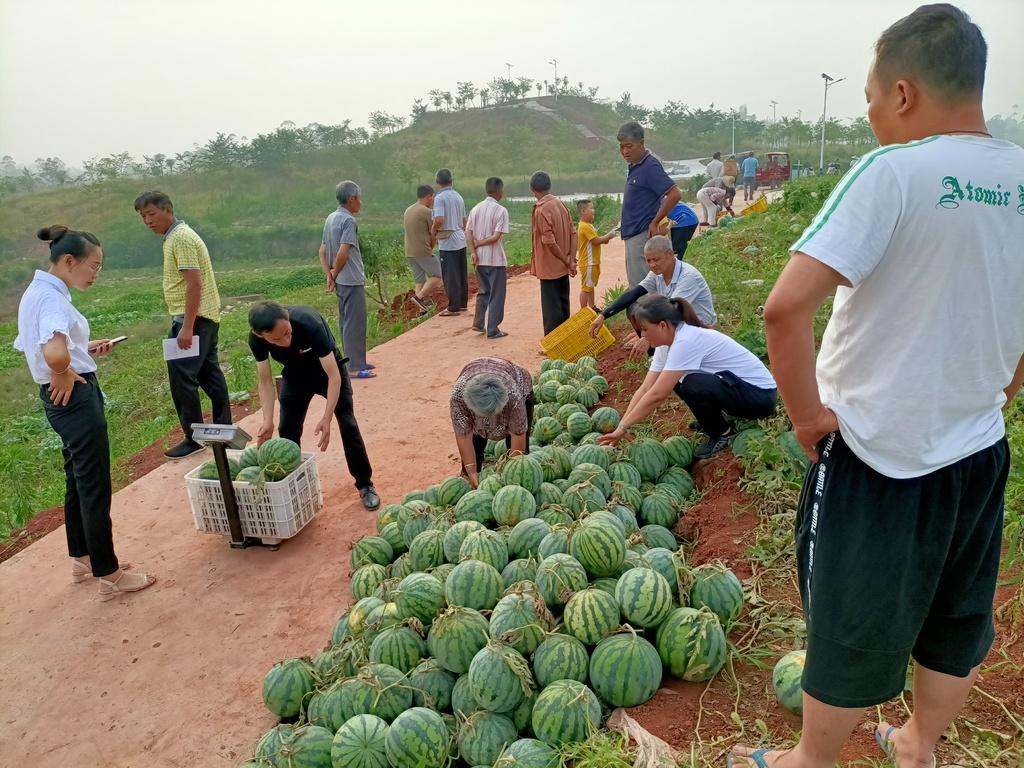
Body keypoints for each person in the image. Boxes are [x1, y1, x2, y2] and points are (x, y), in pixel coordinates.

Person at [732, 6, 1024, 768]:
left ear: (902, 93)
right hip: (977, 449)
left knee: (849, 618)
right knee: (957, 613)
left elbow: (783, 308)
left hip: (874, 453)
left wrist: (805, 419)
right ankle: (920, 745)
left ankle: (810, 761)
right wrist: (1003, 393)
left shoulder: (894, 172)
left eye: (866, 99)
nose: (867, 116)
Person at [14, 226, 156, 599]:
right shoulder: (53, 301)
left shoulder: (37, 292)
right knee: (93, 484)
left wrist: (83, 349)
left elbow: (47, 344)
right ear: (69, 261)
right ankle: (108, 575)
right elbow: (54, 354)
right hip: (75, 399)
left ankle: (82, 558)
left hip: (59, 398)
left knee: (77, 479)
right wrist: (62, 368)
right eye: (93, 266)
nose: (96, 273)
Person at [598, 294, 776, 459]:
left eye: (644, 329)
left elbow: (657, 396)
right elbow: (646, 388)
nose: (642, 335)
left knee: (691, 383)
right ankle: (711, 420)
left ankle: (722, 432)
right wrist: (622, 424)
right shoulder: (665, 344)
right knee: (676, 380)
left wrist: (622, 428)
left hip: (759, 397)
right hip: (738, 387)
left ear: (662, 325)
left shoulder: (686, 341)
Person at [248, 302, 379, 511]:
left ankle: (365, 485)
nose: (286, 339)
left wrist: (326, 418)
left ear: (288, 319)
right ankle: (293, 491)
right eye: (276, 339)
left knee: (348, 424)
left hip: (328, 371)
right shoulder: (256, 341)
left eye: (287, 332)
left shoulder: (308, 322)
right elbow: (264, 381)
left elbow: (334, 376)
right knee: (287, 430)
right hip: (295, 375)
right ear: (259, 335)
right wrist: (267, 420)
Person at [135, 190, 231, 459]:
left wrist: (187, 327)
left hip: (193, 319)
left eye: (151, 214)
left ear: (168, 209)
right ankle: (224, 427)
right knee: (208, 373)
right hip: (205, 317)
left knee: (181, 377)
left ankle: (193, 438)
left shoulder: (181, 239)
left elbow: (194, 284)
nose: (148, 221)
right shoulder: (177, 237)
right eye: (143, 217)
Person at [589, 235, 717, 355]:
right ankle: (654, 350)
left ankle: (654, 348)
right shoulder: (657, 274)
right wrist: (603, 315)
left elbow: (673, 313)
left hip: (698, 327)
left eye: (656, 259)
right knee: (634, 307)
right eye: (648, 260)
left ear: (670, 254)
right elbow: (634, 294)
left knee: (654, 317)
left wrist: (647, 338)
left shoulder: (688, 277)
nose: (652, 265)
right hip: (674, 320)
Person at [450, 357, 534, 488]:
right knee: (475, 441)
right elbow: (464, 435)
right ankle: (471, 476)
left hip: (518, 382)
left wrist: (512, 475)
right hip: (477, 378)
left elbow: (518, 435)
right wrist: (471, 470)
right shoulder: (458, 396)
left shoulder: (514, 397)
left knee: (519, 455)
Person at [320, 180, 374, 379]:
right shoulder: (348, 221)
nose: (360, 203)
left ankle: (355, 360)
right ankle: (354, 367)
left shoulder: (330, 218)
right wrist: (334, 273)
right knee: (355, 322)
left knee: (346, 320)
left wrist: (329, 274)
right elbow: (343, 252)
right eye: (359, 199)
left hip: (341, 279)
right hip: (350, 277)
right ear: (351, 199)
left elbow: (322, 250)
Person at [617, 122, 682, 287]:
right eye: (622, 147)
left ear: (641, 144)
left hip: (641, 235)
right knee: (643, 285)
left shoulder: (649, 166)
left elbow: (674, 194)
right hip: (634, 235)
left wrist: (654, 222)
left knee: (643, 288)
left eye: (629, 146)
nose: (625, 151)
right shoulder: (636, 166)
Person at [529, 171, 577, 335]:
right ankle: (566, 340)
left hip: (550, 268)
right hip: (562, 268)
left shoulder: (541, 209)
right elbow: (573, 233)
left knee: (551, 311)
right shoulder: (560, 204)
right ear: (549, 186)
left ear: (532, 189)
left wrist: (565, 260)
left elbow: (548, 242)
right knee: (563, 306)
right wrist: (571, 260)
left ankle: (553, 344)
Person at [465, 177, 510, 339]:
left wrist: (473, 250)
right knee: (497, 294)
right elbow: (496, 236)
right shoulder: (501, 211)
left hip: (479, 260)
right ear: (499, 191)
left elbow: (468, 231)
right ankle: (493, 329)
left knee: (484, 291)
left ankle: (478, 323)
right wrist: (479, 244)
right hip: (495, 260)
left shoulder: (475, 209)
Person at [431, 168, 468, 316]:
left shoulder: (440, 198)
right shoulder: (458, 196)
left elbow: (439, 219)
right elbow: (465, 221)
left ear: (437, 182)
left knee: (450, 274)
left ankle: (453, 307)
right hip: (460, 238)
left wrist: (433, 230)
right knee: (461, 273)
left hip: (448, 242)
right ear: (452, 180)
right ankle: (463, 303)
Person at [403, 184, 442, 316]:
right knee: (439, 275)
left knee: (420, 280)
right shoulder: (426, 212)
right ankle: (419, 298)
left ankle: (422, 311)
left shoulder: (408, 210)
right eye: (432, 198)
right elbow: (434, 231)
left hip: (410, 251)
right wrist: (431, 246)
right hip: (422, 250)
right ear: (428, 197)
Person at [576, 198, 617, 310]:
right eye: (591, 208)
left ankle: (592, 307)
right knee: (586, 288)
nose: (593, 210)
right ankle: (583, 311)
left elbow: (596, 241)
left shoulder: (588, 225)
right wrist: (608, 235)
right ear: (583, 211)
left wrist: (605, 239)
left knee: (590, 286)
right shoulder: (584, 226)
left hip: (592, 262)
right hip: (588, 263)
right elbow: (596, 241)